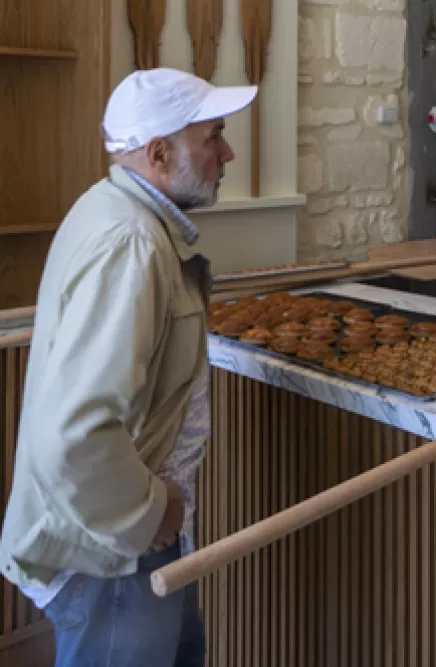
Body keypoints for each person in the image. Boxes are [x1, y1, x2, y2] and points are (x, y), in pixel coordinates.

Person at [0, 68, 255, 665]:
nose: (228, 153)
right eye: (213, 136)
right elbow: (77, 435)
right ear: (161, 153)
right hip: (113, 554)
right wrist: (149, 514)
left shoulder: (112, 210)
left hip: (133, 541)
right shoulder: (132, 244)